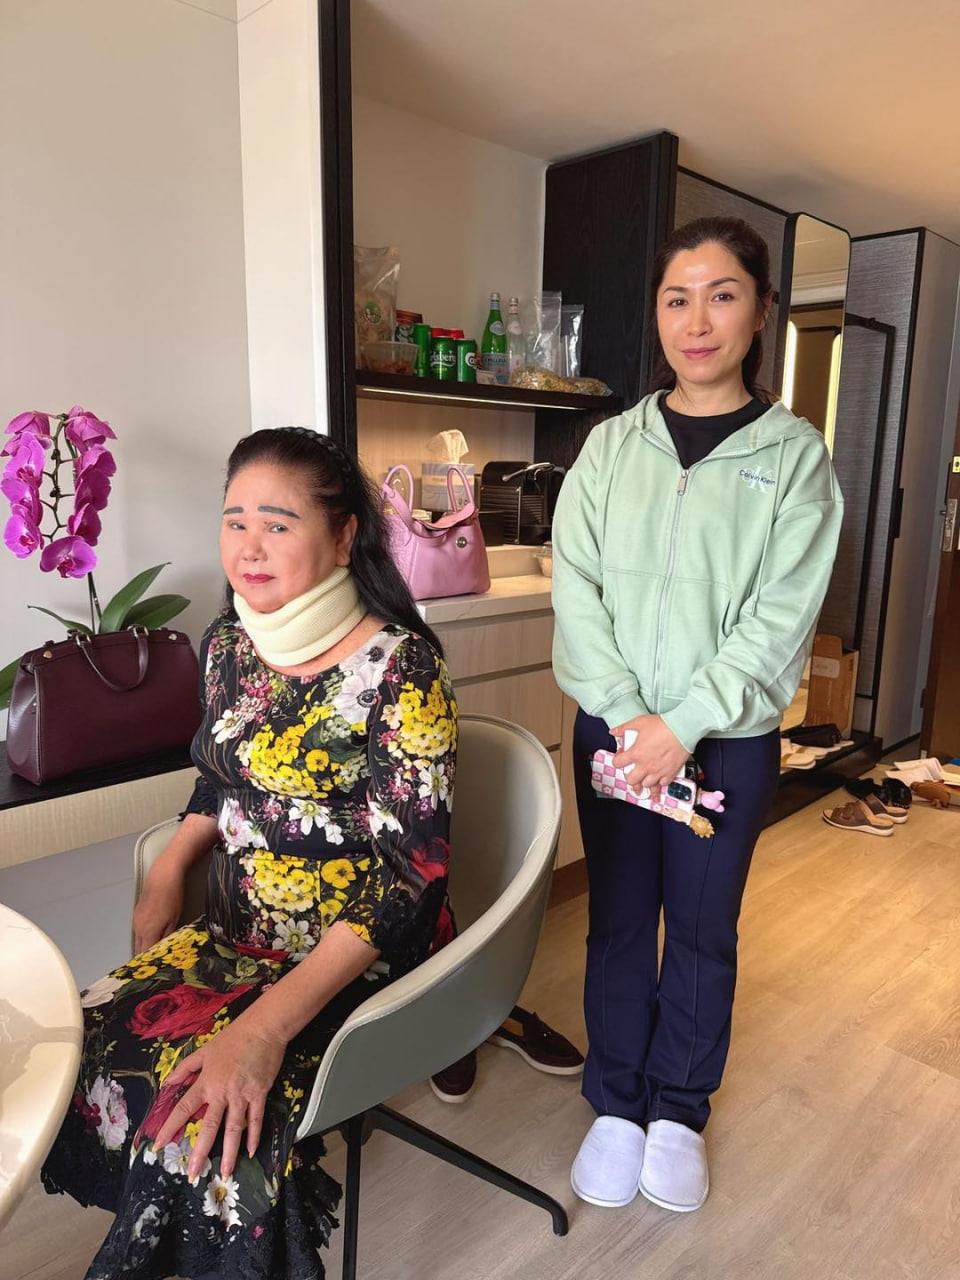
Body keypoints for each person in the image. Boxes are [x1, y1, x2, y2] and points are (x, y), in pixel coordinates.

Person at [41, 427, 458, 1279]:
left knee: (213, 1129)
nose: (248, 546)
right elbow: (221, 777)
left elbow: (409, 881)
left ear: (342, 536)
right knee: (71, 1047)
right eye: (234, 522)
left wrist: (264, 1031)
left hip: (356, 958)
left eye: (276, 522)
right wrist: (169, 869)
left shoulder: (402, 668)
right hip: (231, 936)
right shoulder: (231, 643)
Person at [551, 217, 844, 1214]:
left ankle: (677, 1108)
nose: (698, 320)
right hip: (615, 734)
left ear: (760, 314)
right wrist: (629, 714)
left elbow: (780, 616)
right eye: (678, 298)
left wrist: (685, 722)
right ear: (658, 314)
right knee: (619, 920)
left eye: (723, 295)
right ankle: (615, 1102)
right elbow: (577, 590)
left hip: (727, 744)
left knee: (704, 929)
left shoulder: (793, 458)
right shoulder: (610, 447)